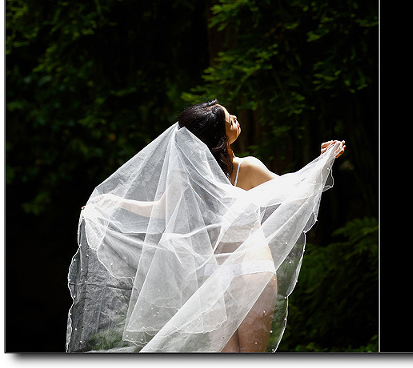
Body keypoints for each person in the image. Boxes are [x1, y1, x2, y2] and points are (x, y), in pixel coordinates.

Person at [67, 100, 344, 353]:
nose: (235, 119)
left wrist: (323, 162)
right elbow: (163, 210)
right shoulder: (191, 177)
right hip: (214, 276)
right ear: (218, 137)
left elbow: (294, 193)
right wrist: (113, 203)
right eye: (228, 119)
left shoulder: (247, 168)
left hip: (252, 270)